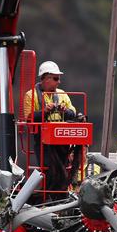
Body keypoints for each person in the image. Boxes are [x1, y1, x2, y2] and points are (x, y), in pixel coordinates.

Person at [22, 61, 81, 199]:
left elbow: (73, 113)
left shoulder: (62, 94)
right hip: (43, 142)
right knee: (51, 170)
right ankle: (50, 199)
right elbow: (29, 118)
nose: (58, 82)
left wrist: (65, 111)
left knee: (64, 170)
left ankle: (60, 198)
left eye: (58, 78)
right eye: (55, 78)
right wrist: (44, 112)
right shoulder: (31, 95)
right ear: (45, 78)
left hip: (62, 140)